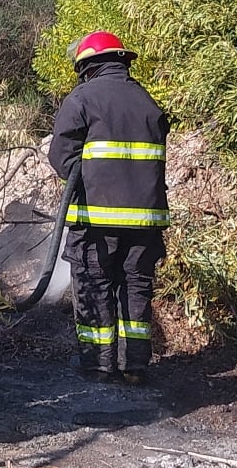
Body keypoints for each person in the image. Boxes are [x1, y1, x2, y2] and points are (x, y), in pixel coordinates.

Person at [48, 30, 170, 386]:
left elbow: (61, 155)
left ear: (86, 66)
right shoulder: (147, 101)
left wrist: (84, 182)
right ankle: (136, 365)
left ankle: (99, 364)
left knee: (94, 285)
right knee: (136, 287)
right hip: (146, 222)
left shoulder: (82, 98)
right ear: (120, 62)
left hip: (96, 221)